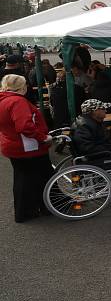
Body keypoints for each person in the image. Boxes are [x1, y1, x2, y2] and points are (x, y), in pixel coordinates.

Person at [0, 74, 53, 222]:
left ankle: (26, 211)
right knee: (42, 176)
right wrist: (43, 138)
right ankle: (45, 206)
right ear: (21, 87)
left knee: (23, 179)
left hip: (12, 144)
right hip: (28, 146)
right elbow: (24, 126)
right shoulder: (17, 101)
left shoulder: (3, 100)